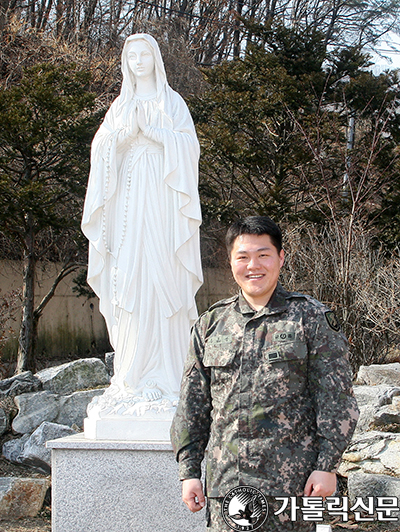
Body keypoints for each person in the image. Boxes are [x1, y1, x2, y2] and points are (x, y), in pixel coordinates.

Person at [170, 216, 359, 531]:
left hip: (292, 488)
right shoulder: (210, 324)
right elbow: (192, 405)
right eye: (242, 257)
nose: (252, 265)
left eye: (263, 254)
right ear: (230, 262)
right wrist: (189, 472)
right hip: (227, 488)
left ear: (281, 258)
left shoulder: (310, 319)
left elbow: (337, 400)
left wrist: (327, 467)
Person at [81, 34, 203, 410]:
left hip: (165, 206)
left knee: (164, 277)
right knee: (129, 280)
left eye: (144, 54)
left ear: (156, 59)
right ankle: (131, 374)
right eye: (130, 55)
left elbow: (190, 148)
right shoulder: (119, 107)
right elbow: (99, 150)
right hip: (129, 208)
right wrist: (121, 138)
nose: (137, 61)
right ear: (125, 63)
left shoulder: (173, 103)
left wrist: (157, 135)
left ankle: (167, 375)